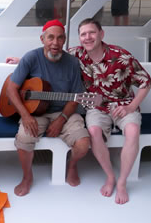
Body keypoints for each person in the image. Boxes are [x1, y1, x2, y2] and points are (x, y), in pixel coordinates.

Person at [68, 18, 151, 204]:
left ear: (101, 34)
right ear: (80, 38)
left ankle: (121, 182)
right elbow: (50, 55)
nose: (87, 37)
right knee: (94, 132)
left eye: (92, 32)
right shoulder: (77, 53)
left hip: (124, 104)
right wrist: (21, 60)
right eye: (83, 34)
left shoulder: (121, 56)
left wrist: (130, 107)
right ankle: (110, 176)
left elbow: (146, 82)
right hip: (97, 107)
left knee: (133, 131)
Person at [6, 19, 90, 196]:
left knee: (83, 143)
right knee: (24, 138)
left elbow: (75, 99)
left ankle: (72, 166)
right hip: (35, 112)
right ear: (42, 39)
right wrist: (25, 116)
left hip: (65, 112)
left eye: (60, 38)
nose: (55, 43)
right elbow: (11, 88)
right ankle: (27, 177)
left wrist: (61, 120)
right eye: (50, 38)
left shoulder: (73, 63)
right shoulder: (31, 57)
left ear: (65, 40)